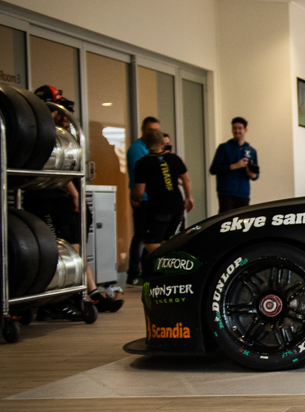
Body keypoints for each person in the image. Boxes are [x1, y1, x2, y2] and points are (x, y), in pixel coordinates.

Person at [24, 89, 122, 312]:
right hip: (50, 198)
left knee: (77, 249)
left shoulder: (63, 136)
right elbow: (53, 168)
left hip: (65, 199)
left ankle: (90, 293)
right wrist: (74, 193)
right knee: (63, 250)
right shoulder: (41, 135)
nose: (64, 118)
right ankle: (69, 297)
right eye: (57, 112)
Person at [132, 128, 193, 256]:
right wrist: (188, 197)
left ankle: (164, 262)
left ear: (146, 143)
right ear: (162, 143)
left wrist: (135, 199)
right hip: (177, 205)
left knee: (151, 243)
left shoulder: (142, 163)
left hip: (158, 208)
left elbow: (140, 191)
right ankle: (169, 264)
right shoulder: (174, 159)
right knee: (169, 241)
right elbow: (186, 180)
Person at [124, 116, 159, 286]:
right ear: (144, 130)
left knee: (150, 238)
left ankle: (146, 272)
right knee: (140, 236)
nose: (154, 133)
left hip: (152, 199)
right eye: (151, 130)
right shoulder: (136, 149)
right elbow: (144, 175)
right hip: (142, 199)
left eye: (156, 130)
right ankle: (134, 273)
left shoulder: (153, 149)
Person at [209, 117, 258, 213]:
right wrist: (234, 166)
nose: (237, 131)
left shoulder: (252, 151)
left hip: (243, 193)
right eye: (234, 128)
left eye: (240, 128)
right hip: (226, 193)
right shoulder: (224, 148)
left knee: (244, 220)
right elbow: (213, 169)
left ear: (245, 130)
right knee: (226, 219)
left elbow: (256, 175)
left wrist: (250, 172)